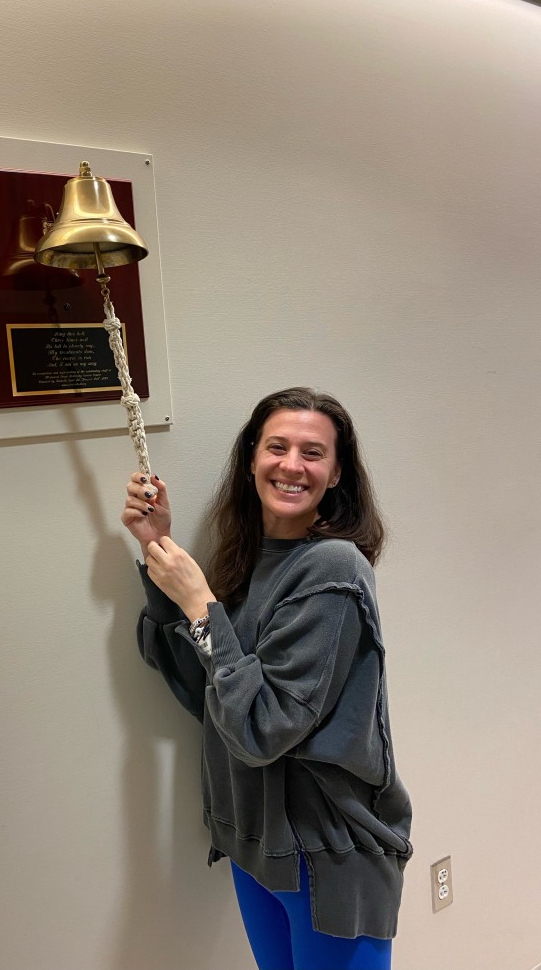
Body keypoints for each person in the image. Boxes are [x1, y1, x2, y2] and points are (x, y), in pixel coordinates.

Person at [121, 387, 412, 970]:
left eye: (313, 453)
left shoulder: (333, 568)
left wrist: (200, 601)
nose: (291, 465)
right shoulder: (245, 557)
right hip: (255, 842)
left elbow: (261, 728)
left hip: (326, 851)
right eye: (277, 447)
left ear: (336, 475)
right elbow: (202, 688)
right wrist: (159, 554)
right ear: (252, 458)